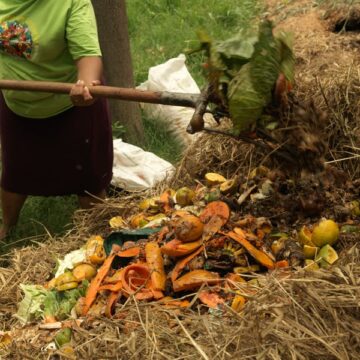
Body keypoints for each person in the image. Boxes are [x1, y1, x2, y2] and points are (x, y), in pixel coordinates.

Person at [0, 0, 114, 239]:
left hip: (70, 105)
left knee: (88, 176)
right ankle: (7, 225)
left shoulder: (71, 2)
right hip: (17, 105)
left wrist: (87, 84)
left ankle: (97, 235)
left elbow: (88, 56)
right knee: (16, 171)